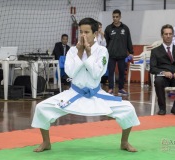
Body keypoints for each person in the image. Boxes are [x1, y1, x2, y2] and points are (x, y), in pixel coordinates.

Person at [31, 17, 140, 153]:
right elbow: (70, 73)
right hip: (74, 94)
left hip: (96, 94)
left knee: (128, 108)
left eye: (86, 32)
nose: (83, 35)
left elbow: (97, 74)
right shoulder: (72, 51)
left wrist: (88, 54)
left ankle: (124, 142)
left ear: (95, 33)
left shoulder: (102, 51)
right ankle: (46, 142)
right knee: (42, 108)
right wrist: (80, 52)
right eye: (81, 32)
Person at [150, 24, 175, 116]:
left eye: (170, 34)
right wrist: (163, 72)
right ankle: (162, 108)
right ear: (162, 35)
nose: (168, 36)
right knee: (158, 81)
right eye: (166, 34)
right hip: (163, 78)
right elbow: (152, 68)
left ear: (173, 35)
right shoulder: (155, 51)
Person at [104, 9, 134, 96]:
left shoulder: (125, 28)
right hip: (111, 55)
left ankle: (121, 89)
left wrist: (131, 52)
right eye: (113, 17)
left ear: (120, 17)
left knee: (121, 72)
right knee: (111, 72)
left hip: (122, 55)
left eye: (117, 17)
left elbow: (129, 40)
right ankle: (110, 89)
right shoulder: (108, 28)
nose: (115, 18)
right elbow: (105, 42)